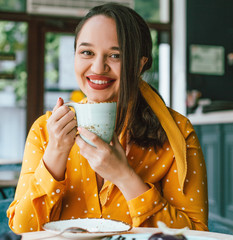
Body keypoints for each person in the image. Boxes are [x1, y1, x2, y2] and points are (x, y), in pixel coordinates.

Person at [7, 3, 208, 233]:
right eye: (87, 52)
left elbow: (196, 234)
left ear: (140, 64)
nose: (98, 67)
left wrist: (125, 177)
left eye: (115, 55)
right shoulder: (45, 130)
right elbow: (23, 228)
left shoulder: (177, 132)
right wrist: (56, 154)